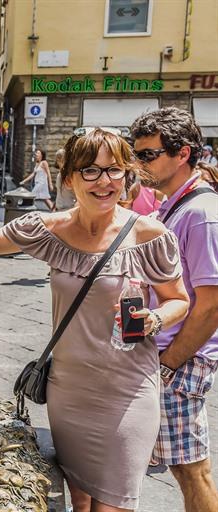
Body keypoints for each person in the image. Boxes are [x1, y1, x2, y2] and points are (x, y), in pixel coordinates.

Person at [0, 128, 190, 512]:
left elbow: (178, 300)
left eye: (115, 170)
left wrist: (155, 317)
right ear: (69, 178)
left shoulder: (151, 236)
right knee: (79, 499)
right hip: (68, 391)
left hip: (127, 390)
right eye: (91, 171)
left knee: (112, 504)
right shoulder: (49, 229)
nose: (105, 181)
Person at [130, 107, 218, 512]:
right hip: (166, 355)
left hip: (181, 360)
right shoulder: (174, 206)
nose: (138, 163)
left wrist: (168, 364)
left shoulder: (201, 214)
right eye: (137, 154)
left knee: (191, 469)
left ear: (182, 154)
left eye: (147, 154)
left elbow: (212, 307)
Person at [54, 146, 76, 211]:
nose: (59, 161)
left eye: (60, 158)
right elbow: (59, 192)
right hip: (59, 207)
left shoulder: (69, 174)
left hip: (69, 208)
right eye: (58, 159)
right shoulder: (60, 174)